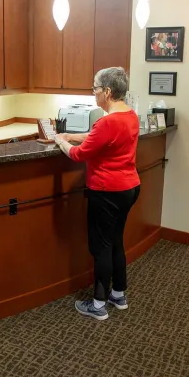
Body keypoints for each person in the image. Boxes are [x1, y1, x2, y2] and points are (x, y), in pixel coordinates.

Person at [55, 67, 140, 321]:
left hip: (106, 192)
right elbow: (99, 138)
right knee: (115, 242)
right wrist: (71, 135)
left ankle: (98, 305)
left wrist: (61, 141)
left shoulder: (107, 121)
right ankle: (118, 294)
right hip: (129, 188)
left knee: (100, 247)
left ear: (108, 92)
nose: (93, 93)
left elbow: (78, 155)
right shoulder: (130, 116)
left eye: (95, 88)